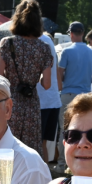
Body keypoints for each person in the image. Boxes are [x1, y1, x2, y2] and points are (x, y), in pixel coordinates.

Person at [0, 0, 53, 157]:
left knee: (6, 149)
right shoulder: (44, 48)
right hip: (31, 103)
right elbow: (47, 84)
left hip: (9, 102)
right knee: (29, 151)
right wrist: (34, 78)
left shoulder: (7, 43)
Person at [56, 21, 92, 171]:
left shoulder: (67, 52)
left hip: (68, 94)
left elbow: (59, 75)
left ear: (72, 34)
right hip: (85, 96)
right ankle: (80, 163)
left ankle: (62, 164)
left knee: (65, 129)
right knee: (83, 131)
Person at [38, 30, 62, 163]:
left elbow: (47, 82)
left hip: (41, 102)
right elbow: (59, 85)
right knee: (42, 145)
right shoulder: (49, 42)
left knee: (35, 145)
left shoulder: (37, 40)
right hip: (52, 101)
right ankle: (44, 179)